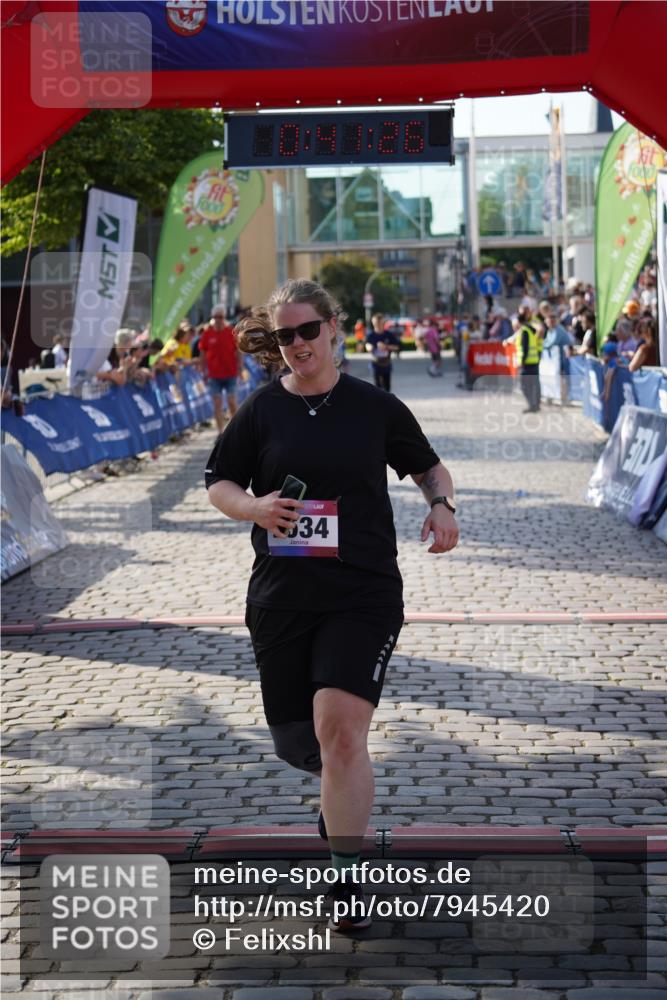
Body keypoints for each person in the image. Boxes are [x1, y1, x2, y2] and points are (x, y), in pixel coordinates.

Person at [204, 278, 458, 932]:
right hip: (282, 600)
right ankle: (337, 794)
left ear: (333, 328)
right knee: (300, 742)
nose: (296, 346)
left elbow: (428, 467)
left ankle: (345, 879)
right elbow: (219, 481)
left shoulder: (374, 406)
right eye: (284, 336)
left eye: (306, 332)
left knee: (342, 731)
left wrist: (441, 506)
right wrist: (253, 507)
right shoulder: (261, 410)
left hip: (362, 590)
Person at [199, 304, 241, 432]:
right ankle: (220, 432)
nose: (218, 319)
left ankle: (236, 430)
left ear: (224, 317)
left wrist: (240, 368)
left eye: (221, 317)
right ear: (212, 317)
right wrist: (203, 370)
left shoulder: (231, 332)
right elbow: (202, 353)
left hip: (231, 373)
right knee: (217, 404)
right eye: (216, 317)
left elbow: (238, 351)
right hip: (214, 375)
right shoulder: (207, 333)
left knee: (231, 402)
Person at [512, 305, 542, 413]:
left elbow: (524, 348)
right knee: (534, 384)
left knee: (525, 386)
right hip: (533, 362)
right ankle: (535, 405)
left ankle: (532, 405)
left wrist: (521, 362)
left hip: (527, 363)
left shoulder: (524, 331)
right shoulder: (529, 330)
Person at [365, 312, 400, 392]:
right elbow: (367, 345)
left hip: (386, 364)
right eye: (375, 323)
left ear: (383, 323)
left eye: (379, 323)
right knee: (377, 388)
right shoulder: (371, 335)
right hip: (375, 364)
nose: (377, 325)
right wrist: (369, 347)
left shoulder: (389, 335)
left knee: (387, 388)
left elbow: (396, 347)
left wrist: (386, 346)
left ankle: (387, 403)